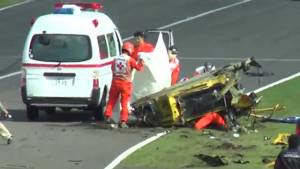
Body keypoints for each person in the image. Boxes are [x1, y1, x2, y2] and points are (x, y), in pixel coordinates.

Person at [104, 42, 144, 128]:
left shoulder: (115, 59)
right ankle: (123, 121)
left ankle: (107, 115)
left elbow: (112, 68)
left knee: (111, 100)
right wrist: (141, 62)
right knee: (124, 103)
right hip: (125, 84)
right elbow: (139, 68)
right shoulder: (130, 59)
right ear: (130, 50)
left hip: (115, 82)